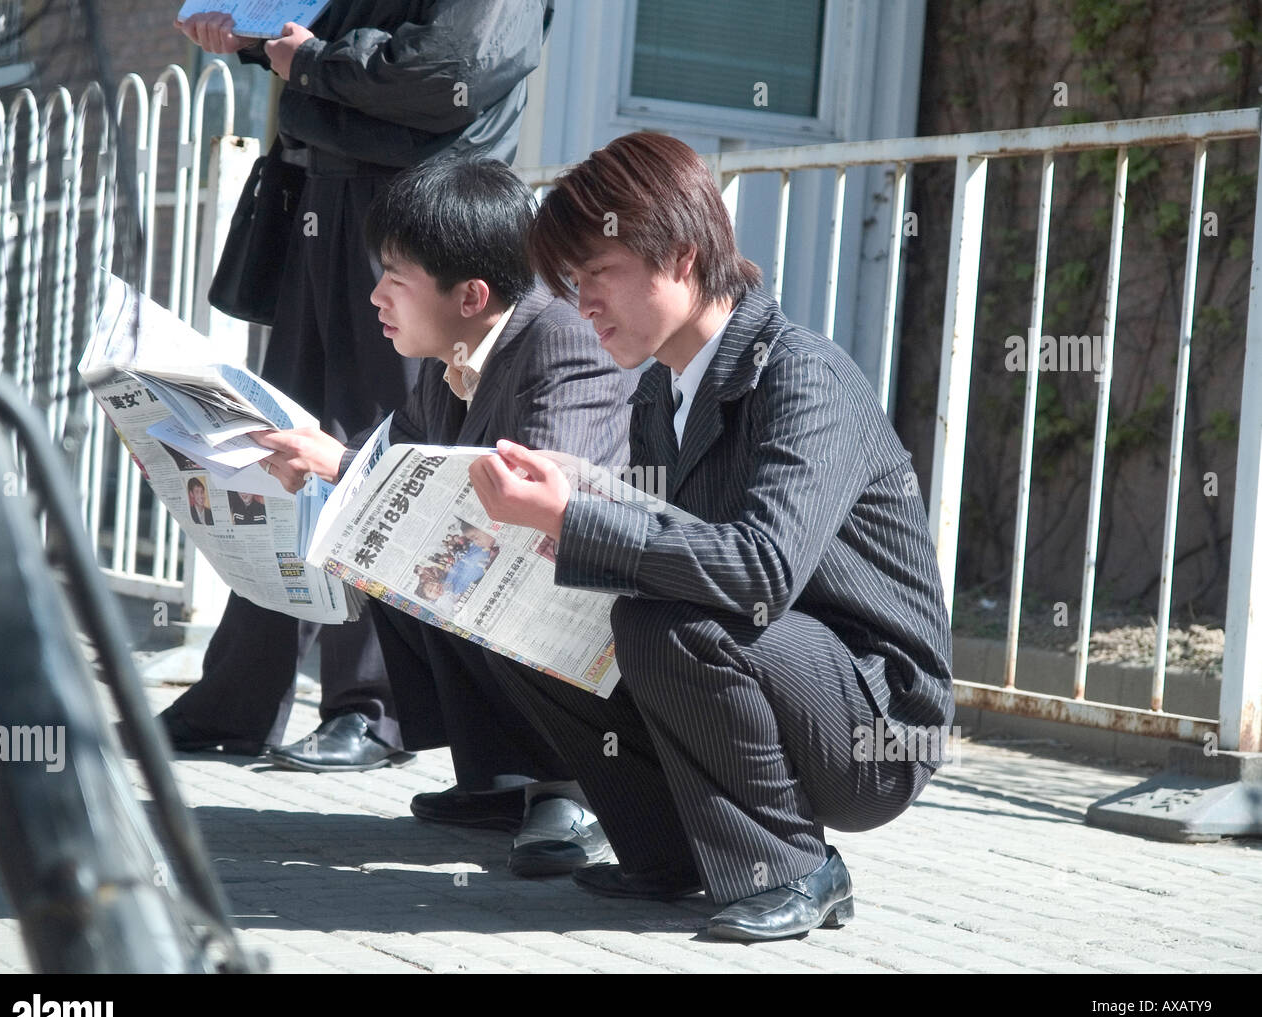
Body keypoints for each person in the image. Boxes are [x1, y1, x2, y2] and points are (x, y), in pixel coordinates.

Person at [467, 132, 955, 940]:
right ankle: (671, 856)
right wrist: (552, 541)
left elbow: (761, 572)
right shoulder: (661, 391)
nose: (582, 302)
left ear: (682, 257)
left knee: (670, 627)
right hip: (778, 667)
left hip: (875, 722)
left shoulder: (803, 375)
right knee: (527, 621)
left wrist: (579, 522)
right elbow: (672, 552)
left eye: (598, 276)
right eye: (572, 282)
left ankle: (798, 867)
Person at [162, 2, 553, 758]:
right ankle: (237, 701)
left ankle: (374, 707)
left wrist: (311, 63)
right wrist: (252, 36)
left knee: (388, 446)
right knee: (283, 445)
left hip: (422, 213)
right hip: (326, 193)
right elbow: (321, 24)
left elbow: (449, 73)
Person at [251, 155, 634, 876]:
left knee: (471, 549)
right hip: (527, 601)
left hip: (593, 618)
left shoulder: (561, 342)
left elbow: (539, 501)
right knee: (385, 544)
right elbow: (389, 451)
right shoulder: (449, 357)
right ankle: (502, 780)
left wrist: (341, 469)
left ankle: (578, 786)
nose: (375, 297)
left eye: (395, 277)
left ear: (471, 295)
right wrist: (293, 456)